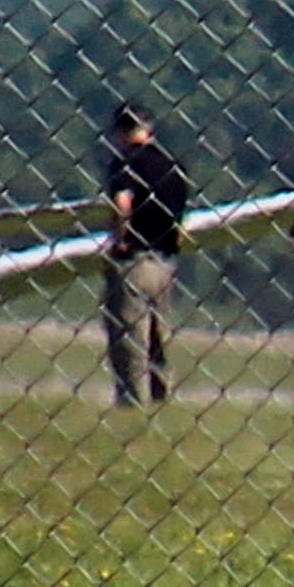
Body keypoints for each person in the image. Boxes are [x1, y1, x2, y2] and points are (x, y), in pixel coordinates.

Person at [101, 102, 190, 407]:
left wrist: (120, 237)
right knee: (159, 338)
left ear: (122, 132)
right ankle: (161, 394)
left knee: (130, 339)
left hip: (134, 261)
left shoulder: (125, 164)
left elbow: (123, 203)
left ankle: (133, 402)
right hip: (166, 261)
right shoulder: (174, 167)